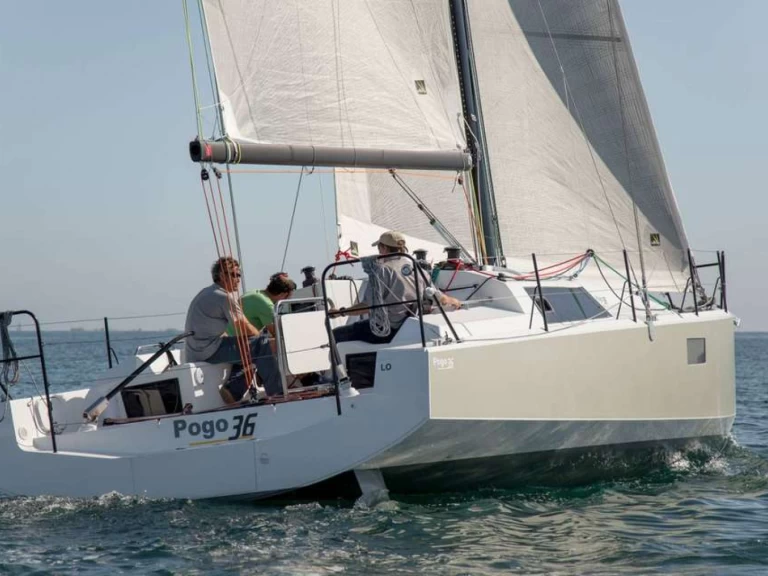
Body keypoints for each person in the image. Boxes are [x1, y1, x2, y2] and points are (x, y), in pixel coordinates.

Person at [330, 231, 461, 344]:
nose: (379, 252)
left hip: (388, 330)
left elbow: (367, 306)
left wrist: (340, 312)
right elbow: (438, 296)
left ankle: (337, 373)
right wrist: (454, 301)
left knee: (335, 334)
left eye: (379, 248)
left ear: (385, 249)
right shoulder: (417, 269)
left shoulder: (381, 271)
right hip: (410, 326)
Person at [184, 257, 281, 401]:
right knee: (260, 345)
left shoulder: (208, 292)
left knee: (250, 346)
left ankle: (233, 390)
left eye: (239, 275)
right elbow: (243, 325)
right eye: (235, 275)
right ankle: (277, 394)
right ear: (222, 276)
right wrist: (264, 341)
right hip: (208, 350)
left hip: (198, 350)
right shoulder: (224, 297)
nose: (238, 279)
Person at [226, 272, 297, 335]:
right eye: (288, 296)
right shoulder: (266, 305)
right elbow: (276, 333)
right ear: (283, 294)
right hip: (236, 343)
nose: (287, 299)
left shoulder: (254, 293)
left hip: (227, 338)